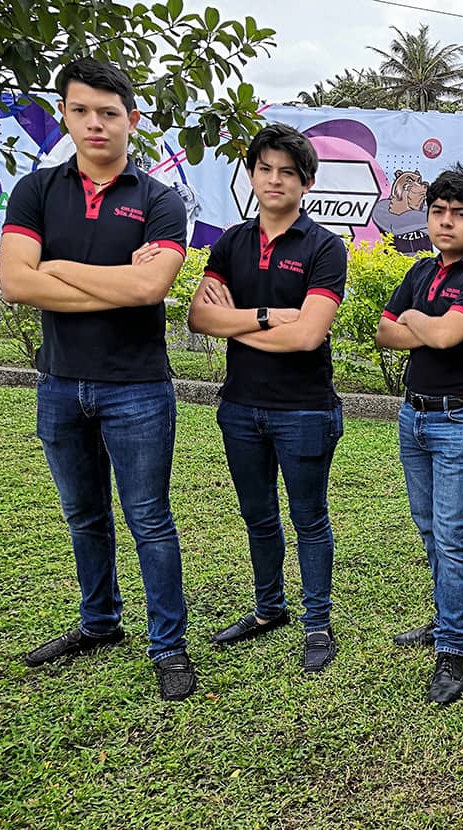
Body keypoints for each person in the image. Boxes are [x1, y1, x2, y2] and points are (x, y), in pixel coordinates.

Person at [0, 58, 195, 700]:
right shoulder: (36, 191)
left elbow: (149, 288)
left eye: (109, 113)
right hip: (59, 382)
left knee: (149, 519)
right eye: (81, 111)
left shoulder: (159, 200)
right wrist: (115, 282)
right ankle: (99, 623)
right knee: (84, 515)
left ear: (131, 120)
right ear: (65, 115)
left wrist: (55, 269)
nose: (95, 124)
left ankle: (168, 646)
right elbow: (14, 282)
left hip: (137, 387)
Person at [188, 124, 347, 674]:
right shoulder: (231, 242)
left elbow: (308, 336)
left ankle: (317, 622)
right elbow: (199, 318)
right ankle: (268, 610)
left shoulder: (324, 247)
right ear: (252, 175)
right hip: (240, 407)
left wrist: (235, 324)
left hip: (304, 409)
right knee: (258, 517)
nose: (274, 180)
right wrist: (266, 316)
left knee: (309, 519)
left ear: (306, 183)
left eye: (287, 172)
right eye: (264, 169)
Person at [375, 165, 463, 705]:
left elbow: (450, 335)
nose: (446, 222)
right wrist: (420, 324)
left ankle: (453, 648)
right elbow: (384, 333)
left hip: (462, 420)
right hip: (413, 417)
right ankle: (445, 617)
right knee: (430, 529)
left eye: (459, 214)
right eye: (438, 211)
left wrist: (415, 319)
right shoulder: (420, 271)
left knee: (453, 535)